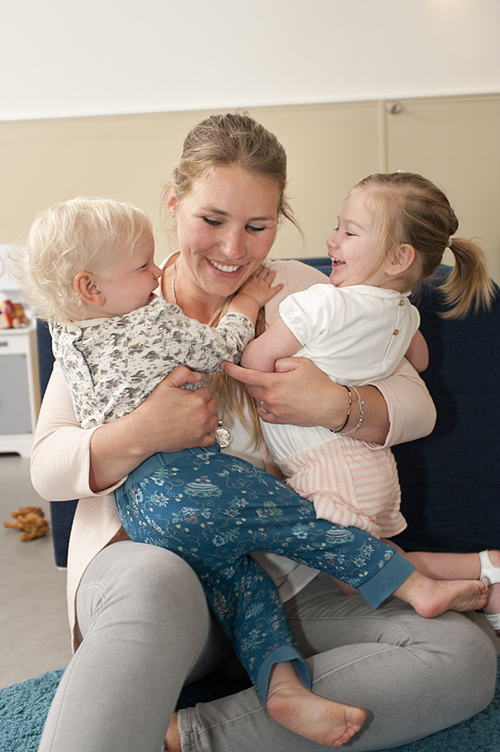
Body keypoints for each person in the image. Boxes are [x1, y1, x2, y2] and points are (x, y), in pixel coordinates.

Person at [29, 113, 496, 752]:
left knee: (462, 654)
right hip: (164, 574)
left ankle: (189, 735)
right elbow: (48, 465)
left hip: (292, 581)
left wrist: (335, 404)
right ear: (174, 202)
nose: (233, 249)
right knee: (150, 586)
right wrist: (140, 433)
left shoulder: (304, 290)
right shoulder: (117, 301)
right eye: (212, 221)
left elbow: (418, 406)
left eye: (257, 226)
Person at [241, 170, 500, 637]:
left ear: (401, 257)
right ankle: (483, 569)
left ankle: (470, 571)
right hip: (371, 466)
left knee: (354, 573)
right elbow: (416, 362)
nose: (331, 239)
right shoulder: (405, 314)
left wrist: (247, 318)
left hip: (328, 468)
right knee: (366, 566)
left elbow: (255, 360)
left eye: (348, 231)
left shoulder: (320, 303)